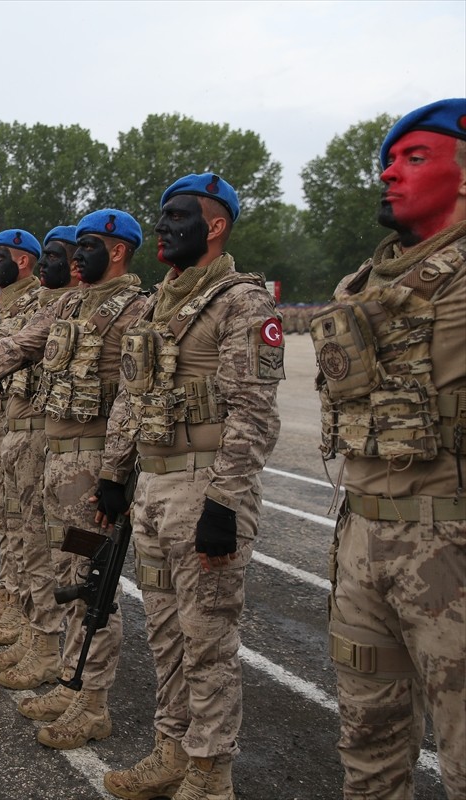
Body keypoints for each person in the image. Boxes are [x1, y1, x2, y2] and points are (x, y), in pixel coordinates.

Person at [98, 174, 283, 800]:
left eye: (178, 216)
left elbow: (252, 413)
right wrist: (113, 473)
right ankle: (171, 749)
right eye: (160, 215)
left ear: (216, 226)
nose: (162, 226)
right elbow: (131, 395)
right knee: (165, 632)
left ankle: (210, 772)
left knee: (208, 640)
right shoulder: (156, 304)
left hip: (205, 490)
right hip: (154, 489)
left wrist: (224, 504)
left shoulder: (242, 302)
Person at [315, 98, 464, 800]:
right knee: (367, 741)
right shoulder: (360, 286)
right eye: (389, 161)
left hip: (450, 545)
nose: (388, 174)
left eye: (414, 158)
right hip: (363, 534)